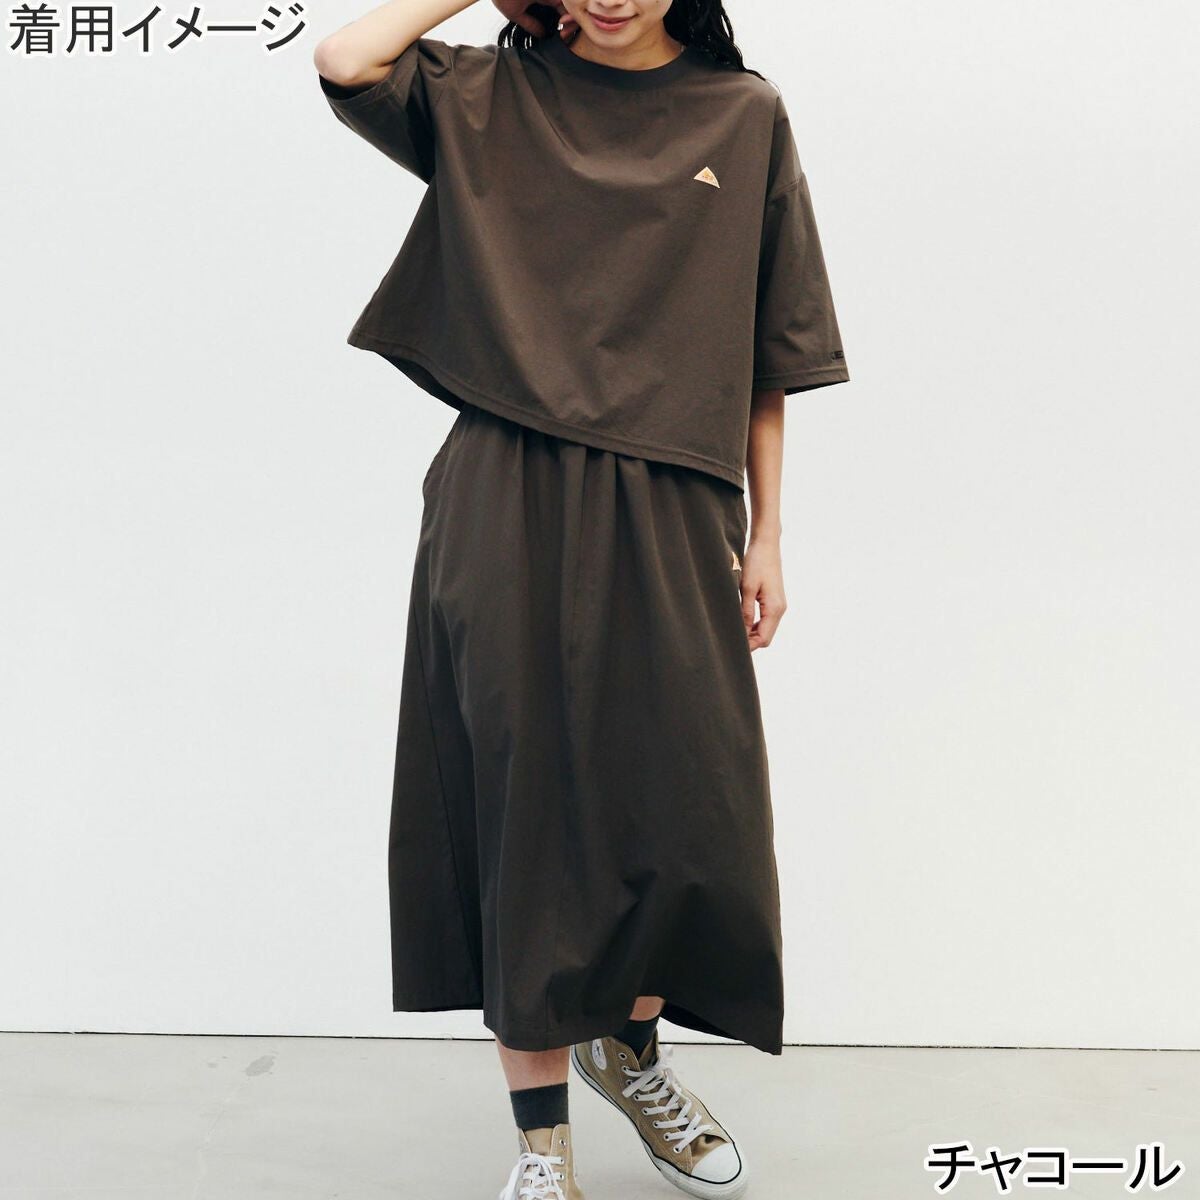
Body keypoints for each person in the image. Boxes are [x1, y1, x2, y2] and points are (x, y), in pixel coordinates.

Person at [314, 0, 849, 1195]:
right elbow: (348, 57)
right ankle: (541, 1146)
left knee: (682, 807)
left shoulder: (742, 114)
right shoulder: (490, 95)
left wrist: (770, 532)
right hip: (504, 479)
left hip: (675, 494)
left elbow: (772, 344)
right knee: (522, 806)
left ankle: (629, 1048)